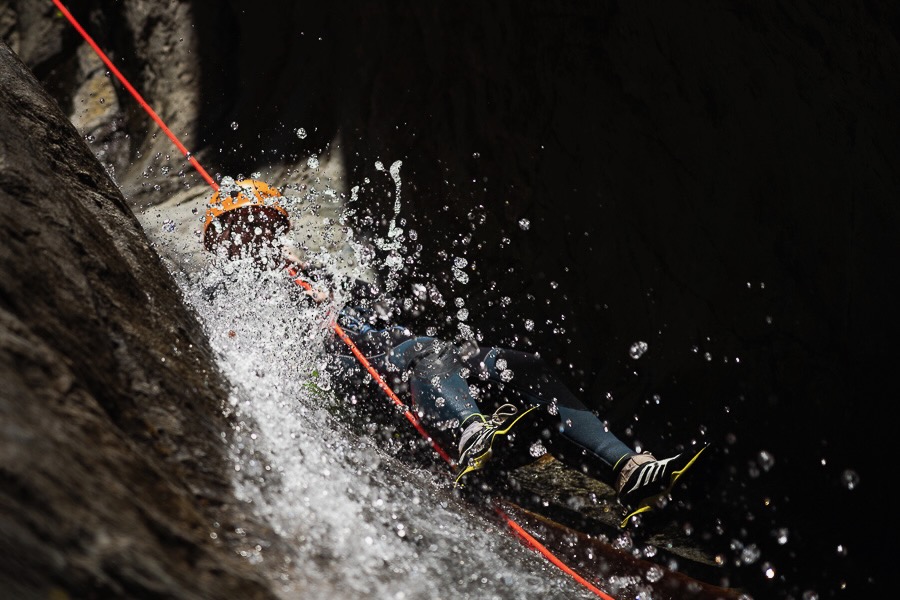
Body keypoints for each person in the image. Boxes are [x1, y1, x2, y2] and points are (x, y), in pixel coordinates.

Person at [281, 247, 707, 527]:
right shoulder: (251, 292)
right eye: (242, 228)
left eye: (264, 223)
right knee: (425, 347)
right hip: (368, 386)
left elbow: (385, 308)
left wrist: (323, 282)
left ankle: (629, 470)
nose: (256, 234)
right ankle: (474, 437)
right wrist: (299, 304)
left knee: (519, 365)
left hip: (421, 373)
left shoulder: (320, 275)